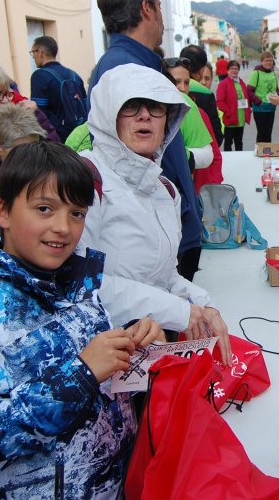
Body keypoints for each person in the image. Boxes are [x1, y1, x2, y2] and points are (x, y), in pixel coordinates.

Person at [0, 140, 164, 498]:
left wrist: (137, 350)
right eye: (44, 208)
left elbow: (103, 387)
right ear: (3, 212)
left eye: (76, 213)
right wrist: (81, 376)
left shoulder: (78, 287)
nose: (63, 228)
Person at [78, 63, 232, 363]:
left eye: (155, 107)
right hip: (97, 359)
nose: (145, 115)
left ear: (168, 121)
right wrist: (180, 311)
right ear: (109, 115)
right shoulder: (84, 179)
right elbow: (84, 282)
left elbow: (162, 276)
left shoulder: (164, 190)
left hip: (146, 351)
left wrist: (204, 304)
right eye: (131, 106)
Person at [91, 0, 203, 281]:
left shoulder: (135, 63)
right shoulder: (125, 69)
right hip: (152, 237)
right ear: (147, 8)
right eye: (160, 6)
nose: (145, 116)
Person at [162, 56, 222, 192]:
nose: (182, 88)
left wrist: (174, 153)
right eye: (176, 81)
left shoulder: (193, 109)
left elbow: (210, 155)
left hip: (185, 192)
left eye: (187, 82)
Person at [29, 35, 88, 141]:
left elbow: (38, 113)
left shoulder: (39, 76)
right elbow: (86, 106)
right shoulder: (75, 75)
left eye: (33, 52)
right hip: (80, 138)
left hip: (57, 140)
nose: (33, 57)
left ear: (41, 52)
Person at [180, 44, 223, 143]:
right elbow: (216, 136)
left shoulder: (170, 87)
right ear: (202, 70)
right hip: (201, 152)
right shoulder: (206, 94)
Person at [216, 60, 252, 152]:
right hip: (230, 119)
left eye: (236, 69)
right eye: (232, 68)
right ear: (227, 70)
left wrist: (248, 110)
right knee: (228, 142)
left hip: (241, 119)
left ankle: (239, 161)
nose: (234, 71)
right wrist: (228, 113)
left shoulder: (241, 83)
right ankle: (229, 162)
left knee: (239, 142)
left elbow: (246, 97)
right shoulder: (223, 84)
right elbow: (220, 102)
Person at [248, 51, 279, 143]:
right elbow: (249, 90)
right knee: (262, 133)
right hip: (260, 108)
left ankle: (268, 153)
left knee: (268, 133)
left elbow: (276, 89)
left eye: (270, 60)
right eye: (266, 60)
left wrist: (277, 99)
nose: (269, 62)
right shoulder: (256, 73)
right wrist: (259, 102)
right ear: (261, 61)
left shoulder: (273, 73)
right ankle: (260, 153)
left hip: (271, 107)